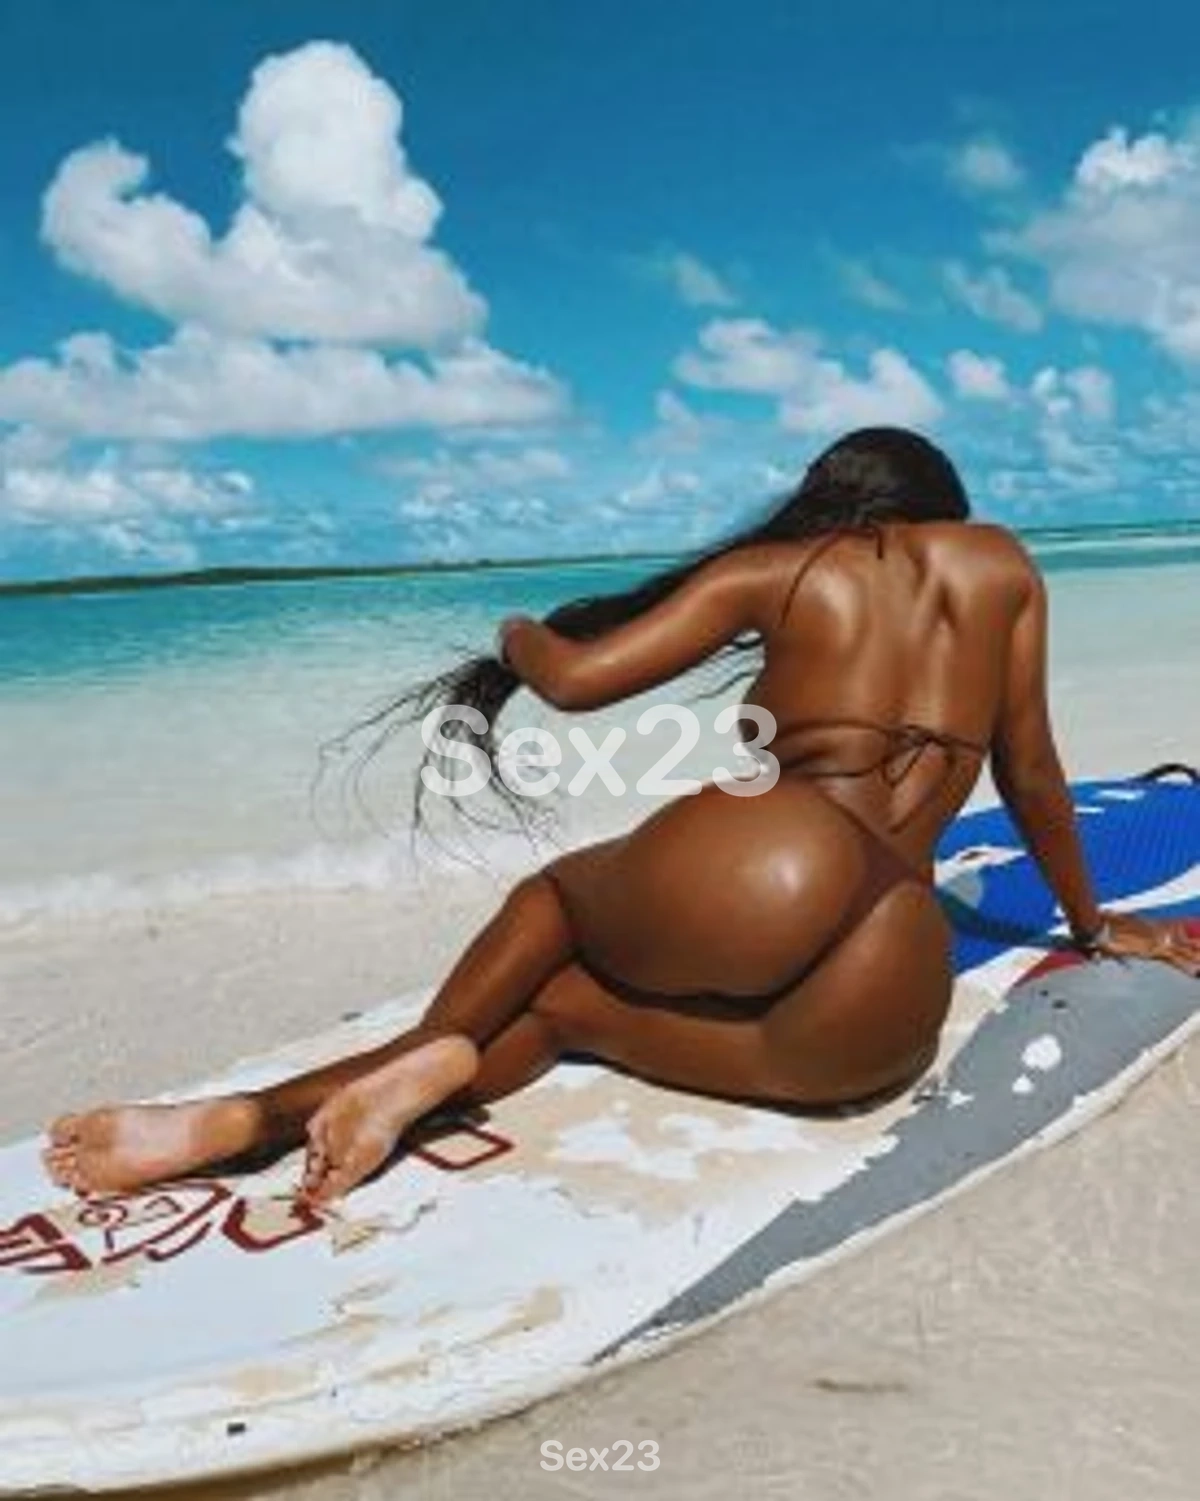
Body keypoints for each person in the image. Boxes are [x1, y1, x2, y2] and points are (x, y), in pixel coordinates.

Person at [43, 428, 1200, 1206]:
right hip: (887, 990)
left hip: (778, 850)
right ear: (944, 510)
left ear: (835, 501)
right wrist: (1094, 925)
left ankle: (263, 1110)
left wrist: (517, 635)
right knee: (568, 1018)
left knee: (551, 906)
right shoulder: (1003, 564)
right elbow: (1032, 770)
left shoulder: (781, 568)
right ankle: (396, 1077)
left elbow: (576, 683)